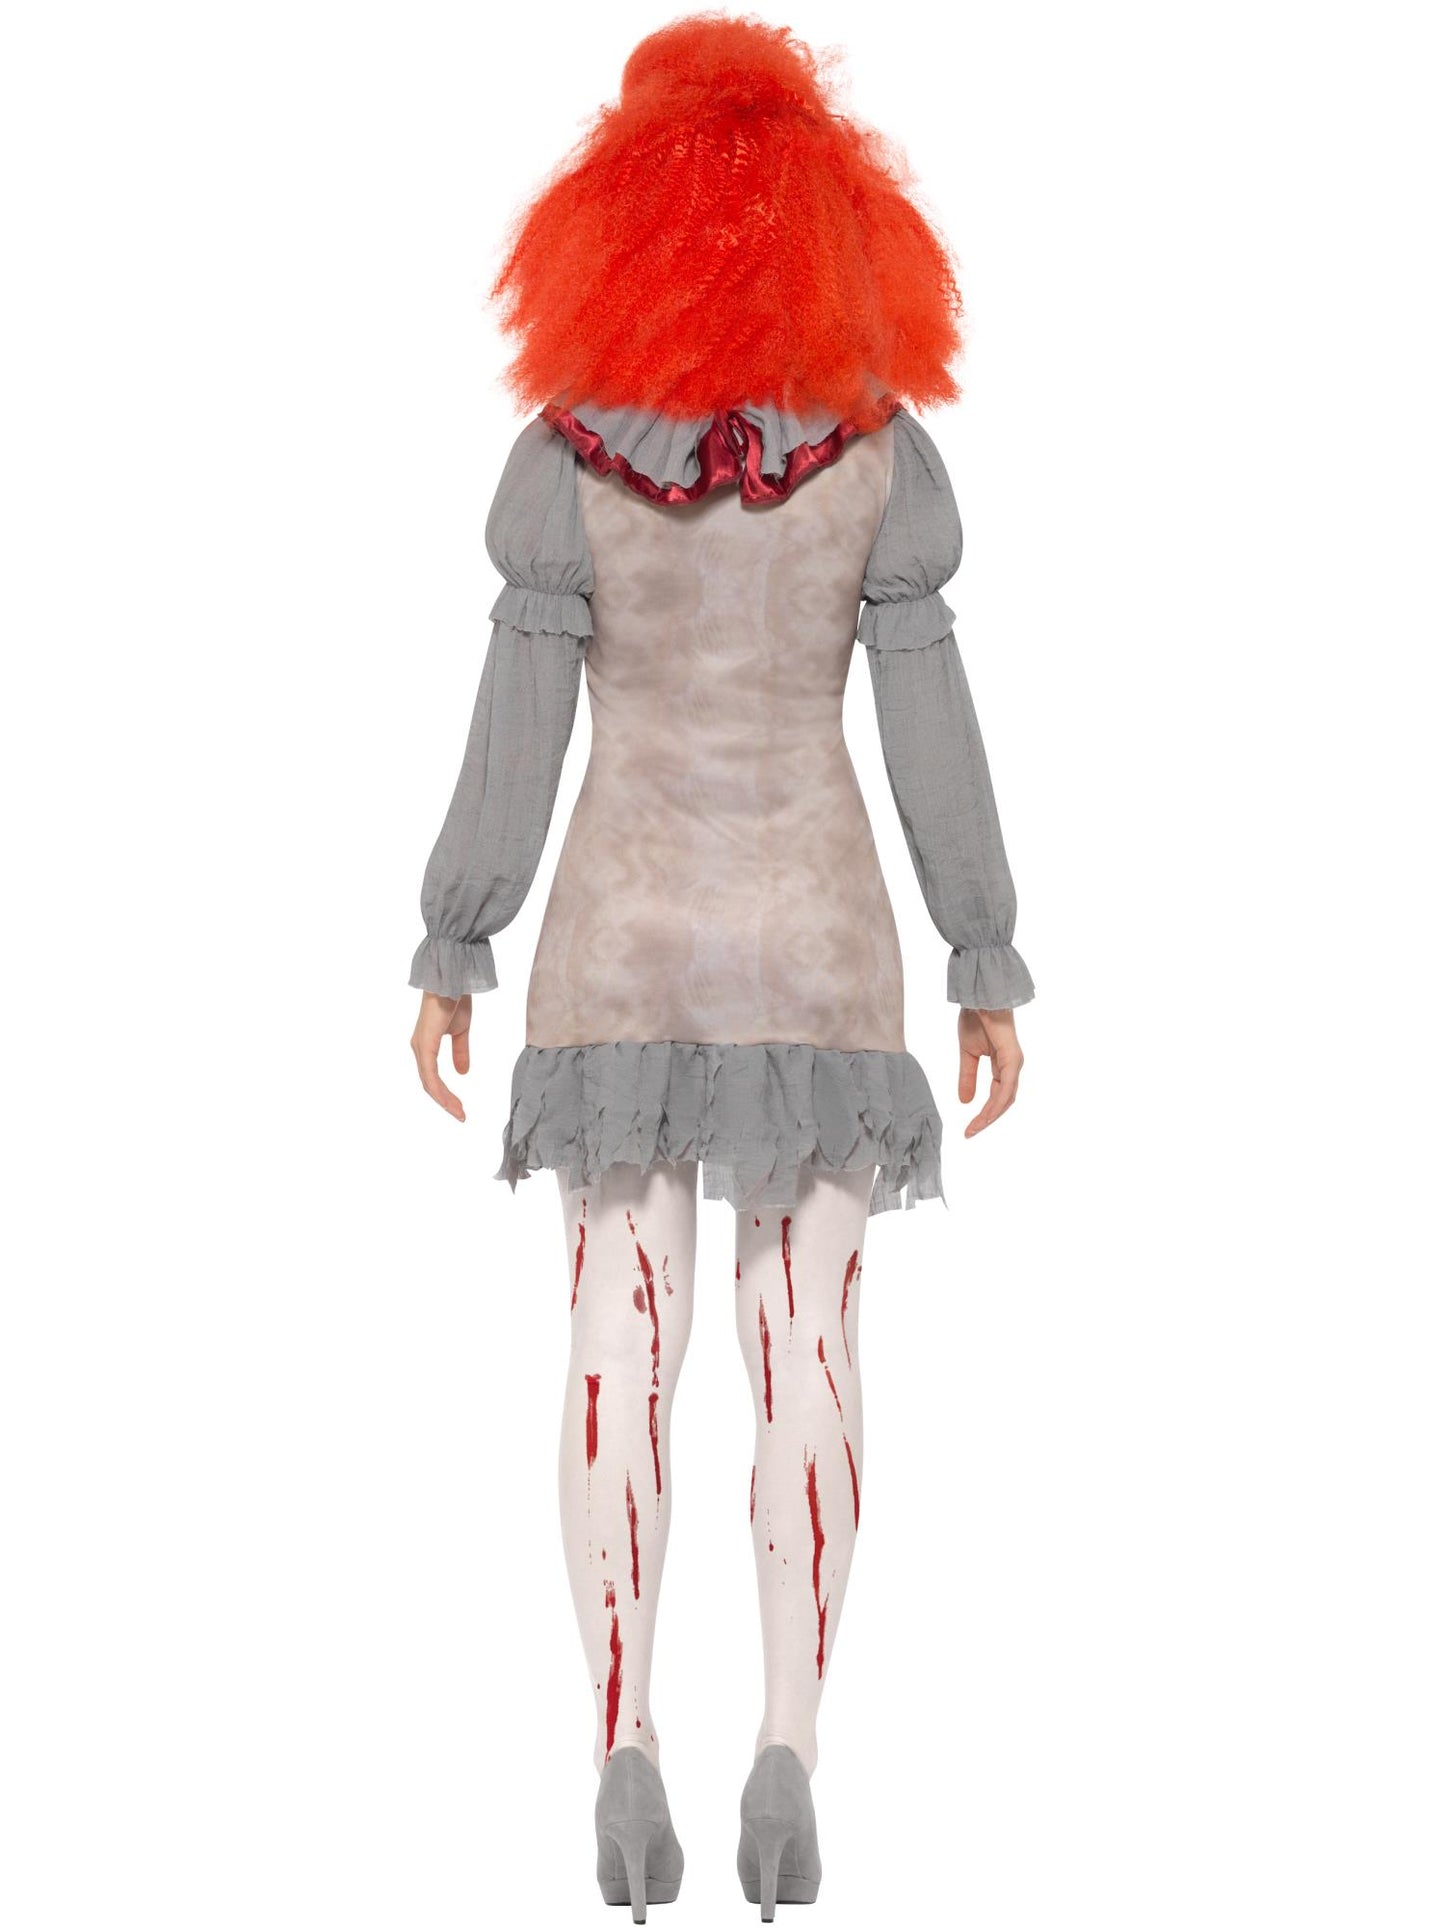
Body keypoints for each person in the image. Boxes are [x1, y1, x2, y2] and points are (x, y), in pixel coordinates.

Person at [406, 14, 1034, 1920]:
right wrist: (982, 946)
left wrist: (457, 928)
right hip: (818, 931)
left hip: (619, 929)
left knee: (619, 1330)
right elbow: (928, 727)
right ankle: (787, 1741)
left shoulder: (566, 465)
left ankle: (622, 1737)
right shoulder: (875, 463)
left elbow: (517, 725)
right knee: (805, 1343)